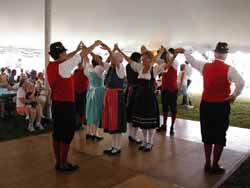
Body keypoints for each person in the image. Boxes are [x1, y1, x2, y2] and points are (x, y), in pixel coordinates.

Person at [178, 42, 245, 174]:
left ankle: (207, 162)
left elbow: (192, 60)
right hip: (221, 106)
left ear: (215, 54)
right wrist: (233, 96)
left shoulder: (205, 66)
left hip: (206, 105)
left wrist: (183, 51)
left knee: (207, 133)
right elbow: (241, 83)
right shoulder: (230, 69)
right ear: (225, 55)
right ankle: (215, 164)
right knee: (220, 135)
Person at [47, 40, 102, 172]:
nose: (66, 53)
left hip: (57, 104)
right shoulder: (64, 66)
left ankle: (59, 162)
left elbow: (70, 57)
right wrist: (94, 45)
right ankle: (63, 163)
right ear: (61, 54)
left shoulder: (51, 65)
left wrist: (76, 50)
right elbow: (80, 56)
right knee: (66, 134)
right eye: (64, 51)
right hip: (66, 105)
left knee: (58, 134)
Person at [117, 45, 181, 152]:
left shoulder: (155, 69)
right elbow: (129, 60)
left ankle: (150, 142)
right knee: (142, 122)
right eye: (142, 59)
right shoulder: (140, 68)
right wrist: (119, 50)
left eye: (144, 59)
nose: (142, 61)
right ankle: (145, 140)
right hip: (140, 98)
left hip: (149, 98)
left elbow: (168, 65)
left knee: (149, 123)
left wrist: (174, 56)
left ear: (149, 59)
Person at [101, 43, 126, 156]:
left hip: (116, 96)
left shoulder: (120, 67)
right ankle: (113, 146)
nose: (112, 59)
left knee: (116, 121)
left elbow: (115, 62)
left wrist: (109, 50)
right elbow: (103, 63)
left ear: (119, 60)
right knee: (112, 120)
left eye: (114, 58)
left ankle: (118, 147)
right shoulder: (111, 68)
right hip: (110, 96)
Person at [83, 52, 107, 141]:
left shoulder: (88, 69)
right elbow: (105, 65)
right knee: (96, 112)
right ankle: (95, 134)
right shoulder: (98, 69)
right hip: (98, 92)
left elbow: (86, 62)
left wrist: (86, 56)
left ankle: (89, 132)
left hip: (90, 91)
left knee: (89, 111)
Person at [156, 48, 179, 135]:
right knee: (165, 108)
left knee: (173, 109)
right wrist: (161, 51)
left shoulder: (175, 63)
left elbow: (171, 60)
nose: (166, 56)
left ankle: (172, 126)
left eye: (167, 55)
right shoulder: (163, 63)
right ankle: (164, 125)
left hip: (173, 90)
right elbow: (157, 60)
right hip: (165, 89)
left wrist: (166, 51)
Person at [125, 52, 142, 144]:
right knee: (136, 113)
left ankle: (131, 134)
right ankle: (133, 135)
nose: (141, 60)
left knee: (130, 113)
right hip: (137, 91)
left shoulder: (127, 66)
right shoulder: (138, 66)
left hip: (129, 90)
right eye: (140, 58)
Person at [73, 63, 89, 129]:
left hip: (83, 91)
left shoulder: (85, 71)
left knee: (82, 108)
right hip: (76, 91)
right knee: (76, 108)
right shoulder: (75, 71)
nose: (79, 64)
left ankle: (81, 124)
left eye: (80, 63)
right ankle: (76, 123)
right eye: (78, 63)